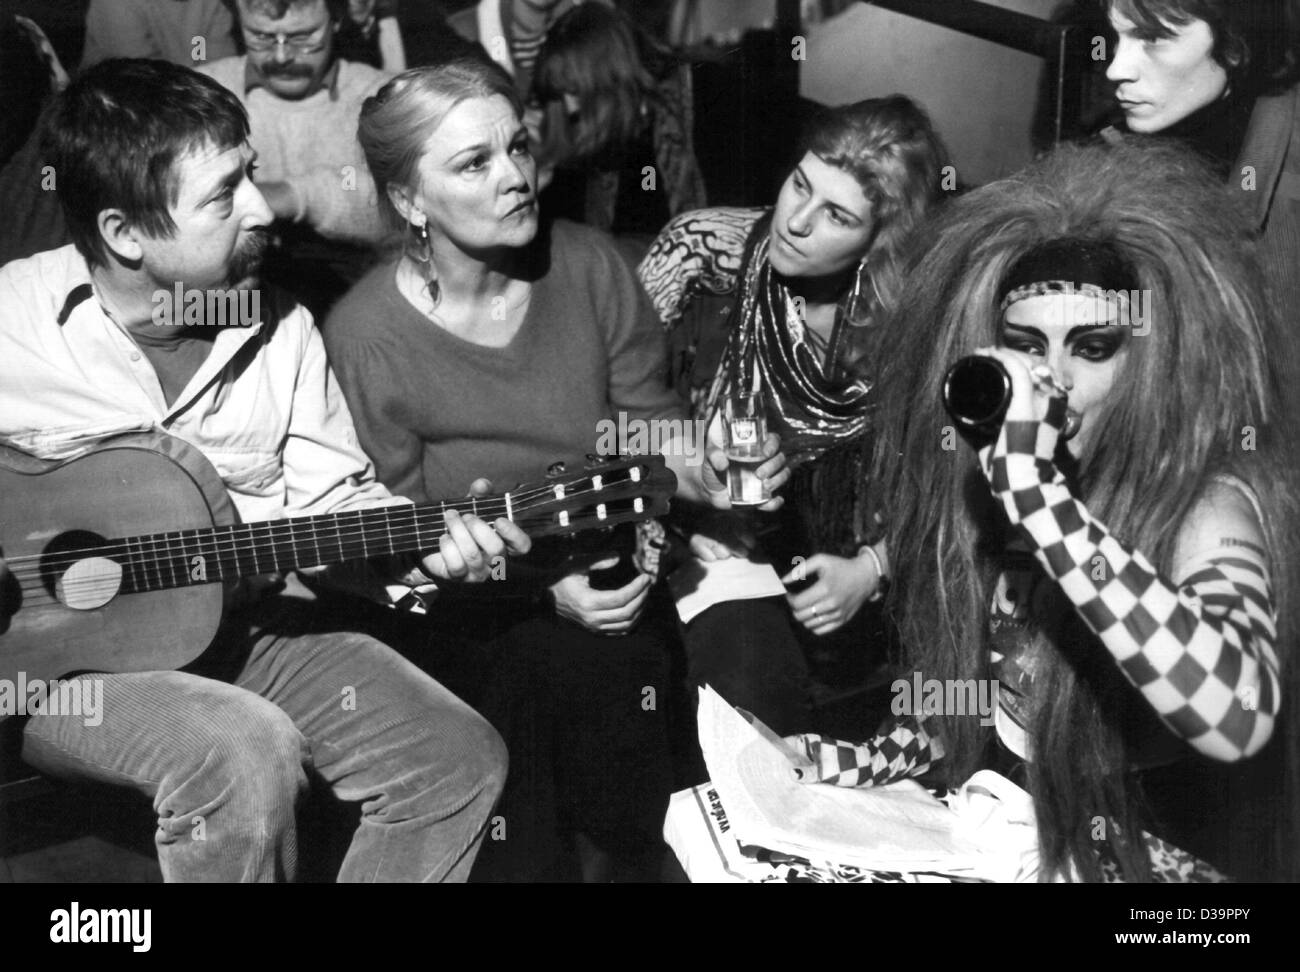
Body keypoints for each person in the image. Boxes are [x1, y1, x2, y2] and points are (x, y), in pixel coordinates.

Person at [0, 57, 531, 882]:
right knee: (243, 751)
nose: (261, 208)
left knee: (454, 756)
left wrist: (418, 549)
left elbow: (333, 503)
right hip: (50, 673)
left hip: (237, 630)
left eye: (251, 172)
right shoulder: (12, 323)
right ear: (123, 233)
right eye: (222, 195)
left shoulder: (281, 328)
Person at [322, 55, 788, 881]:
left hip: (607, 563)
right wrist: (533, 584)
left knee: (622, 667)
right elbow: (390, 540)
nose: (515, 179)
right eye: (474, 163)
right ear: (407, 200)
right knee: (550, 676)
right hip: (462, 610)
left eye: (518, 149)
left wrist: (710, 473)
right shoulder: (365, 335)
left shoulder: (589, 265)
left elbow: (648, 432)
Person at [790, 139, 1299, 882]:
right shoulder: (1001, 482)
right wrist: (865, 761)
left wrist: (1043, 505)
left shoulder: (1208, 502)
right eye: (1027, 345)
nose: (1053, 378)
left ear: (1155, 360)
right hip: (1005, 832)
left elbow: (1238, 711)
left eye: (1093, 347)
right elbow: (973, 694)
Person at [636, 96, 948, 738]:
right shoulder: (701, 251)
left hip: (851, 580)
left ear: (879, 240)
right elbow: (604, 401)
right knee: (746, 702)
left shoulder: (914, 324)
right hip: (697, 543)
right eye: (799, 185)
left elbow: (954, 480)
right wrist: (683, 486)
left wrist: (874, 570)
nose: (796, 221)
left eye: (836, 215)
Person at [1101, 0, 1300, 315]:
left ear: (1235, 45)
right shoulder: (1107, 154)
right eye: (1115, 38)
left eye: (1153, 38)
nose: (1116, 69)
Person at [198, 0, 393, 248]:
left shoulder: (382, 97)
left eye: (303, 37)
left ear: (336, 21)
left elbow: (402, 217)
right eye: (261, 36)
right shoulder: (202, 94)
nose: (281, 57)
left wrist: (294, 196)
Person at [531, 1, 706, 240]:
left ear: (607, 79)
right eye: (560, 93)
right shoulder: (588, 145)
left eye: (574, 90)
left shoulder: (697, 102)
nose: (570, 107)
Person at [80, 0, 239, 69]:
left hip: (190, 103)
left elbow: (210, 60)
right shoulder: (115, 4)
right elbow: (142, 79)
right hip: (117, 113)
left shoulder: (209, 4)